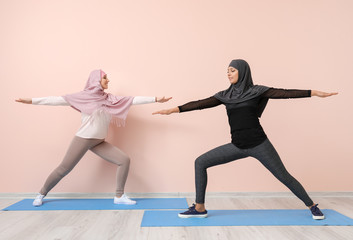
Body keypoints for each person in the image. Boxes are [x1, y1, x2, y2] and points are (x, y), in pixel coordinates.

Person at [153, 59, 337, 220]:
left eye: (232, 70)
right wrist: (172, 110)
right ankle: (199, 207)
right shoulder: (225, 96)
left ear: (243, 71)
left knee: (284, 177)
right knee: (200, 162)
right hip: (237, 146)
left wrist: (314, 92)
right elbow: (200, 104)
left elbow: (285, 93)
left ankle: (312, 206)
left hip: (260, 145)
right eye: (227, 71)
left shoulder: (257, 91)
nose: (228, 74)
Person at [16, 69, 171, 206]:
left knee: (124, 160)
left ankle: (119, 196)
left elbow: (132, 100)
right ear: (96, 80)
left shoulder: (109, 98)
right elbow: (55, 100)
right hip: (83, 138)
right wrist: (30, 101)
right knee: (64, 169)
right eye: (105, 78)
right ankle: (41, 194)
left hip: (99, 141)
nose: (108, 80)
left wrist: (156, 99)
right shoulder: (83, 97)